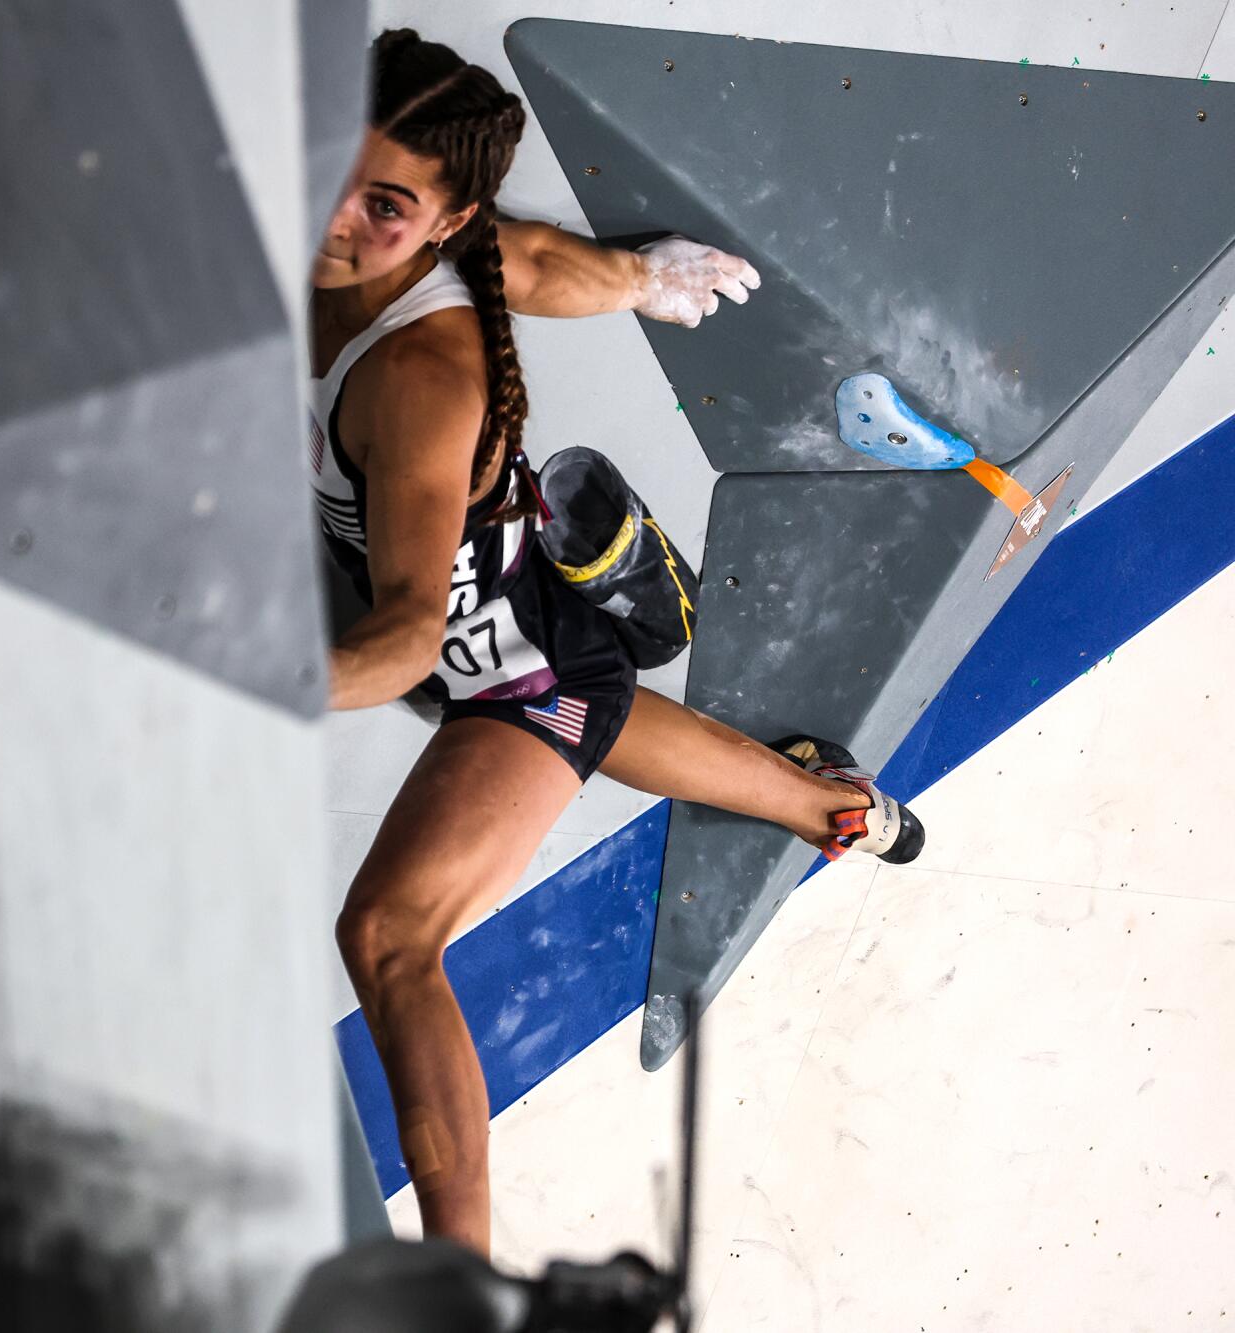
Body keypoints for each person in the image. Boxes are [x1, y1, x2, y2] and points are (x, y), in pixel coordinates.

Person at [311, 29, 924, 1255]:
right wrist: (639, 278)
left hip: (512, 682)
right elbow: (534, 258)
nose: (332, 215)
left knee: (387, 935)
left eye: (382, 203)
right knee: (593, 708)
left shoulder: (420, 383)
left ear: (440, 222)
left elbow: (399, 640)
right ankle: (830, 808)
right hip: (534, 631)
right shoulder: (395, 238)